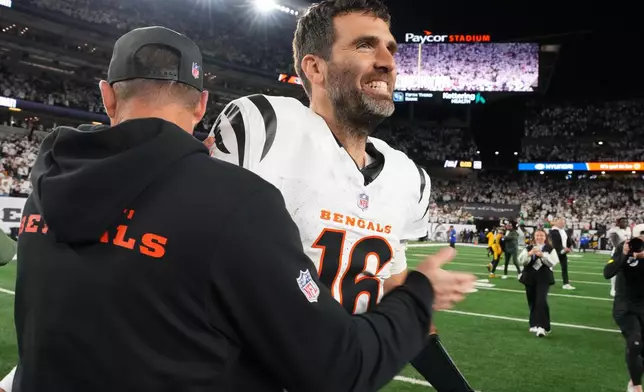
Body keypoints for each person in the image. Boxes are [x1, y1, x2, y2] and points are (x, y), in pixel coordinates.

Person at [4, 26, 476, 392]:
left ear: (107, 96)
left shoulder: (46, 185)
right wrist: (417, 294)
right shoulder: (237, 201)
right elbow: (338, 366)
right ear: (201, 105)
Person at [205, 1, 476, 390]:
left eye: (391, 48)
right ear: (315, 67)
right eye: (365, 45)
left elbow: (396, 303)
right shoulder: (265, 127)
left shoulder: (407, 178)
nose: (387, 61)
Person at [604, 224, 644, 392]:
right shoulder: (623, 247)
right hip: (625, 305)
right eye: (640, 235)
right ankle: (635, 385)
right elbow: (608, 272)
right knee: (635, 343)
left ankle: (633, 380)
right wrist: (624, 254)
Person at [519, 228, 559, 337]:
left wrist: (542, 255)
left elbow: (552, 263)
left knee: (541, 301)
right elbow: (521, 261)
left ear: (545, 237)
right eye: (537, 235)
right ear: (534, 237)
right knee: (532, 301)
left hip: (543, 278)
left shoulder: (550, 249)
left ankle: (544, 326)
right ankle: (534, 324)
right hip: (530, 277)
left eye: (541, 235)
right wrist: (529, 254)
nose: (539, 237)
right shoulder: (528, 248)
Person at [549, 217, 575, 290]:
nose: (563, 223)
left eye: (563, 222)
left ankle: (566, 283)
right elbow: (556, 244)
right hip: (555, 252)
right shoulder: (554, 231)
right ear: (557, 223)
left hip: (562, 252)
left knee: (564, 268)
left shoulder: (562, 230)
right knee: (549, 267)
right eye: (561, 222)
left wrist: (570, 246)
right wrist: (563, 249)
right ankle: (544, 280)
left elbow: (568, 239)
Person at [608, 217, 631, 297]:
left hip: (627, 252)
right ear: (618, 223)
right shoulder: (615, 230)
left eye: (626, 221)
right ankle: (613, 288)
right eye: (622, 222)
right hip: (617, 252)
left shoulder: (628, 229)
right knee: (615, 270)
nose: (625, 223)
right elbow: (610, 234)